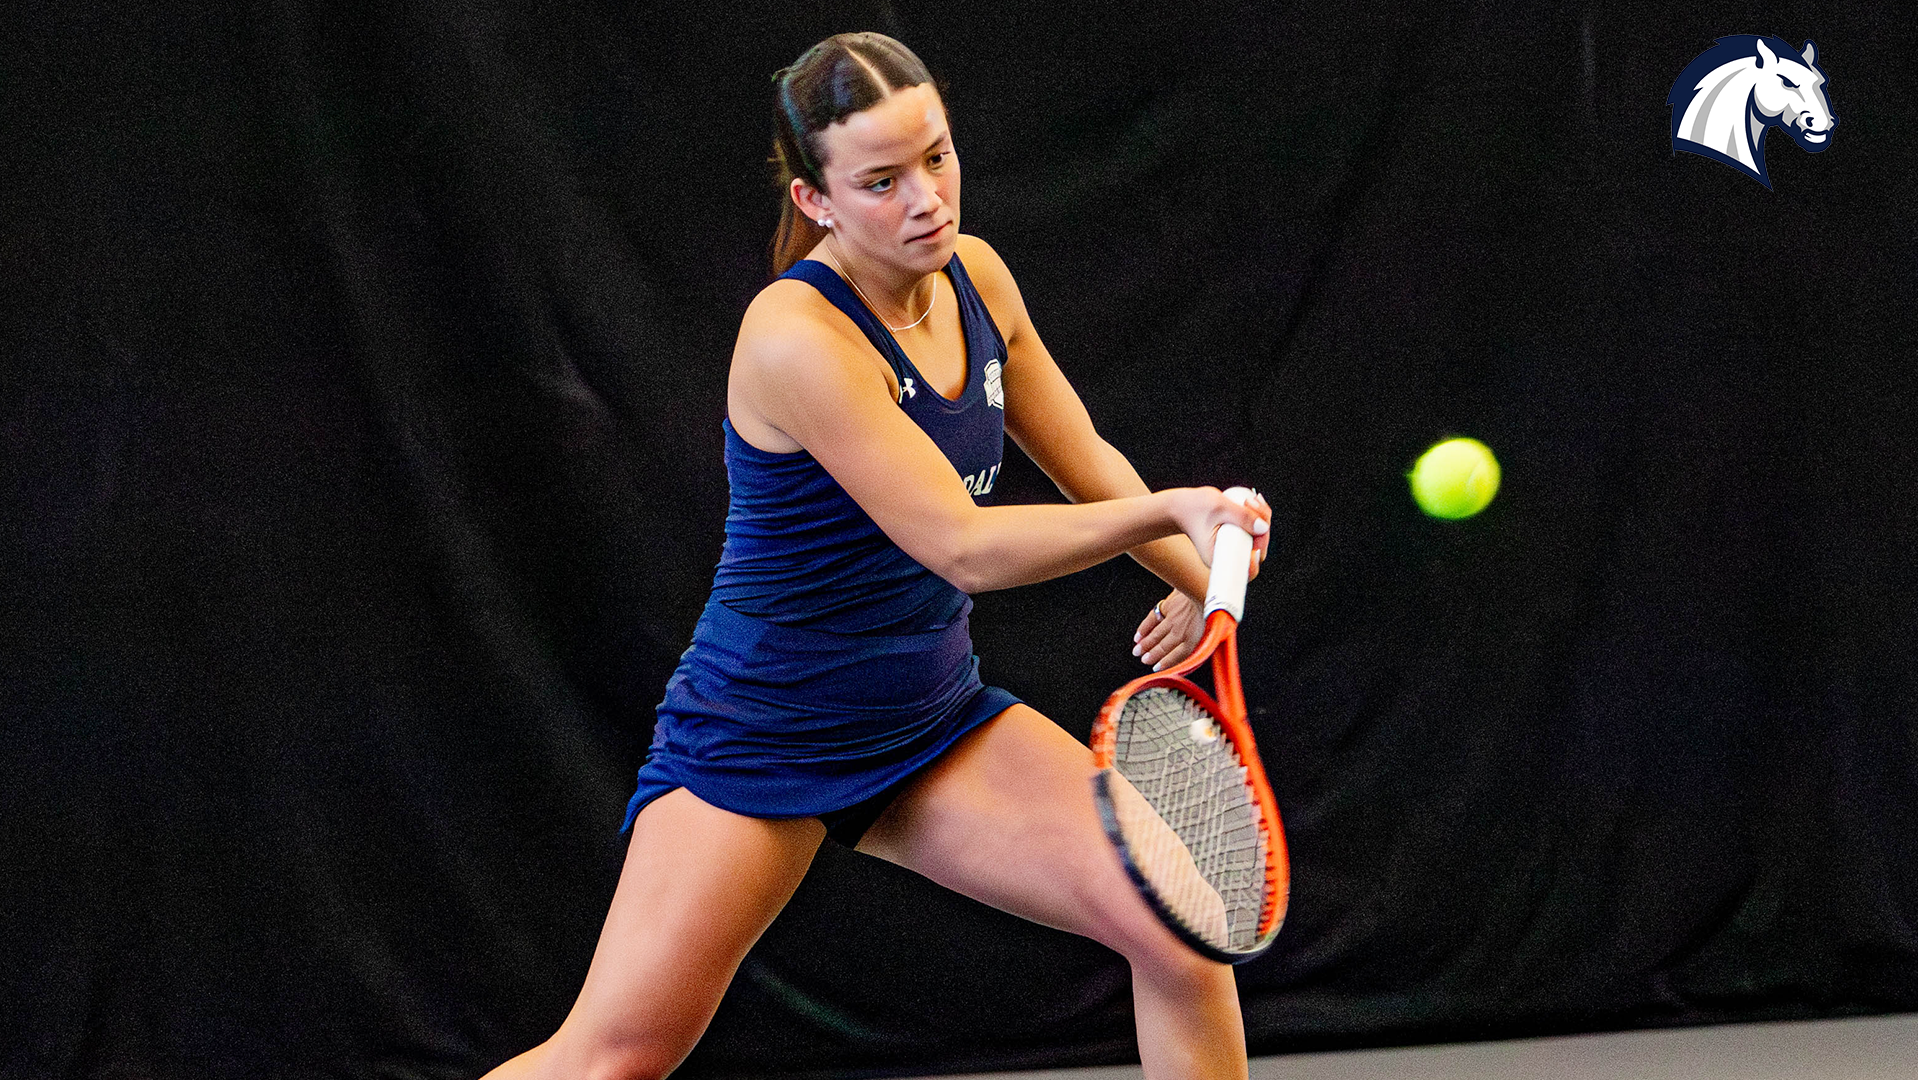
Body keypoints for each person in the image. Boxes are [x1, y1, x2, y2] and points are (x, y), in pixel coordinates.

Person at [482, 32, 1272, 1080]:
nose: (927, 201)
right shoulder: (796, 339)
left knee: (1180, 927)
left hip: (929, 721)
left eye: (936, 158)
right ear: (815, 200)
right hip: (763, 732)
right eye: (881, 181)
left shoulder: (979, 280)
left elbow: (1089, 465)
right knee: (610, 1061)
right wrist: (1170, 513)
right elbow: (963, 545)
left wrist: (1204, 571)